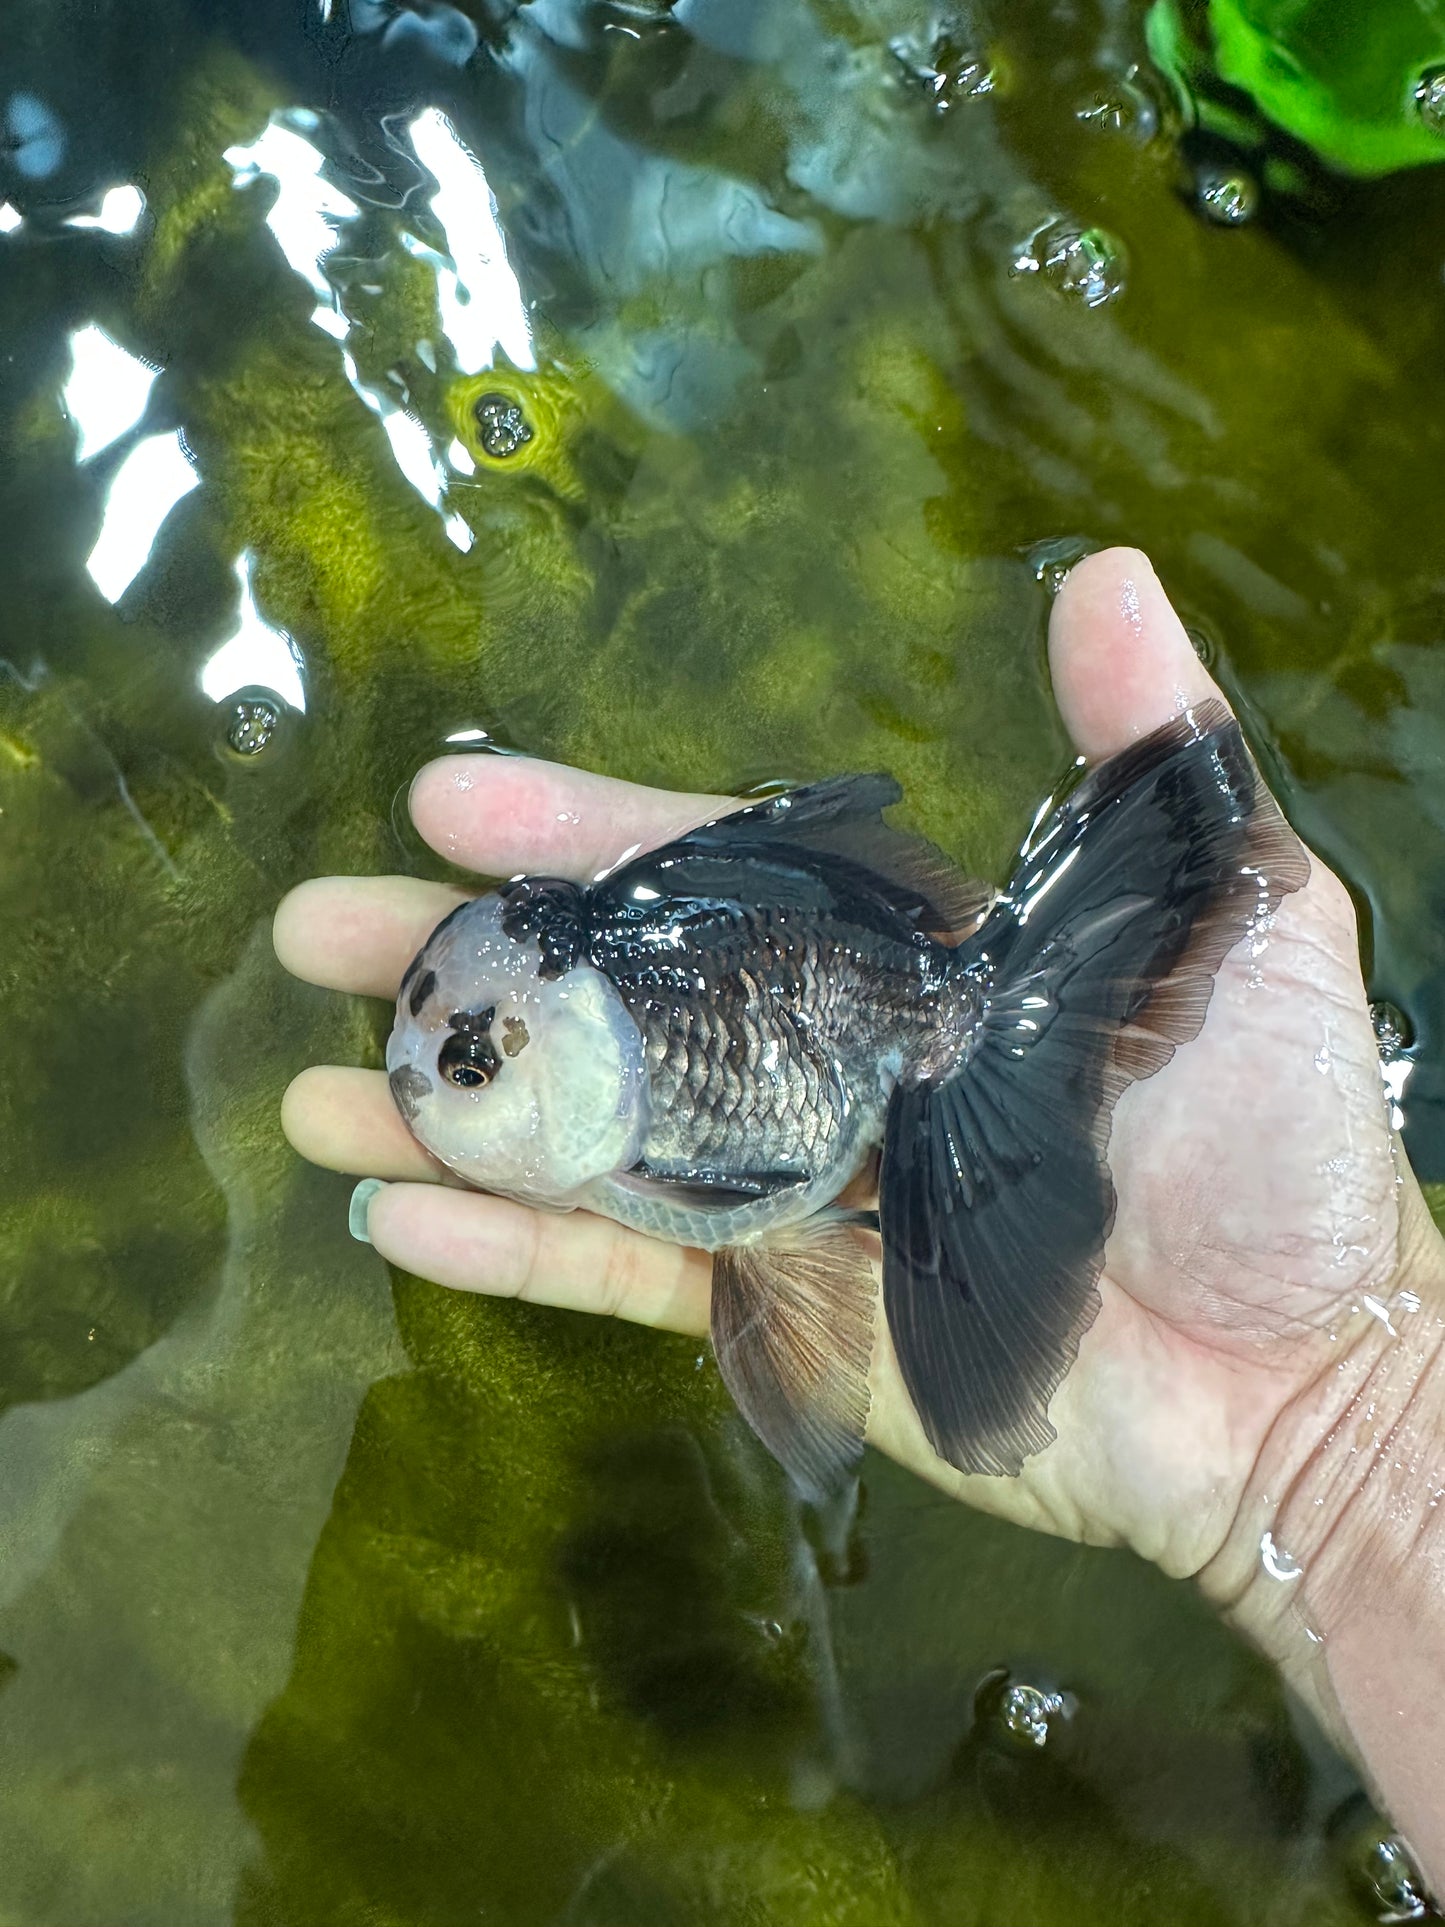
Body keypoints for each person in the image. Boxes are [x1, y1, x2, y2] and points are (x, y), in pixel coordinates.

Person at [274, 548, 1445, 1889]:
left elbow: (748, 1202)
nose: (424, 1081)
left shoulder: (659, 1079)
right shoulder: (606, 1067)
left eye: (472, 1059)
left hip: (873, 1052)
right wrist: (1359, 1444)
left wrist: (1360, 1435)